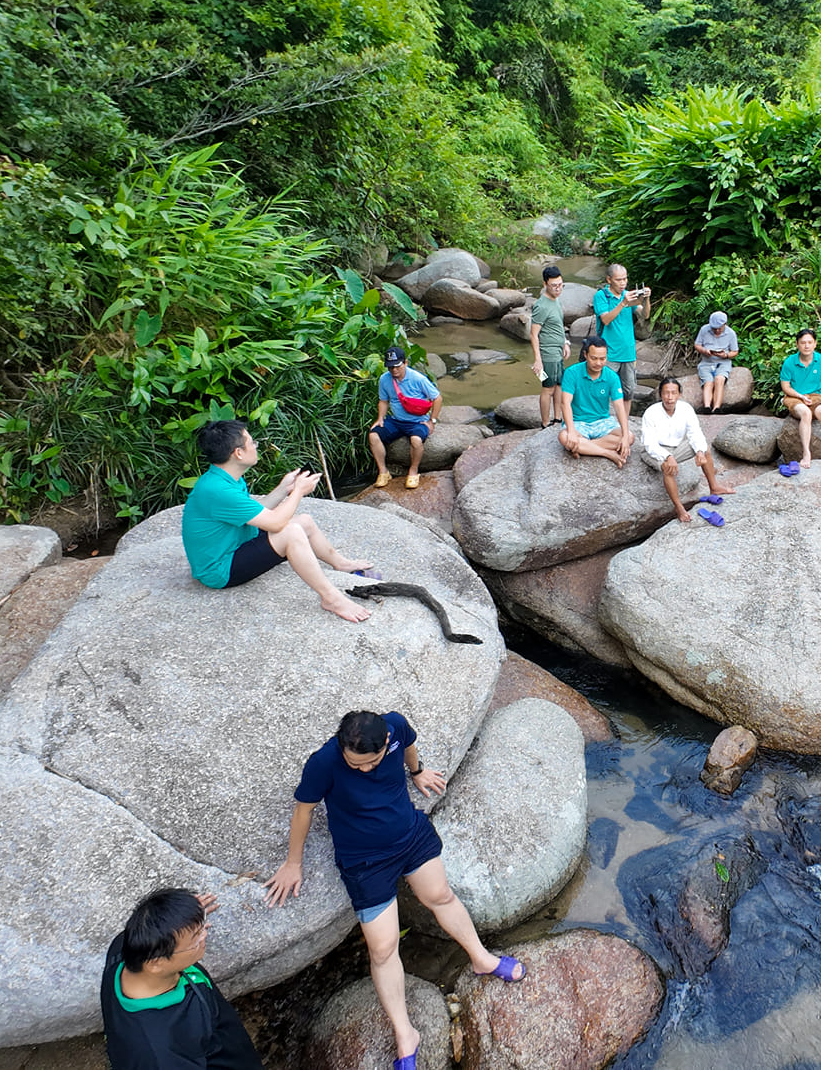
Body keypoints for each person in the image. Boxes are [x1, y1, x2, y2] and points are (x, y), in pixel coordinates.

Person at [265, 711, 524, 1070]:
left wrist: (417, 772)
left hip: (410, 837)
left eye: (370, 763)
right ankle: (406, 1032)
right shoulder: (324, 762)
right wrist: (293, 863)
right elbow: (303, 811)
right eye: (354, 765)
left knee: (440, 896)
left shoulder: (395, 727)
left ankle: (481, 958)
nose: (363, 770)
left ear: (386, 743)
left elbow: (410, 744)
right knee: (383, 947)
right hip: (365, 860)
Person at [180, 420, 373, 623]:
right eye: (252, 442)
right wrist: (298, 492)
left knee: (304, 521)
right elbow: (276, 524)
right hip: (220, 569)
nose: (256, 446)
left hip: (238, 544)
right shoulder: (218, 490)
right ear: (238, 453)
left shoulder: (225, 478)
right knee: (291, 533)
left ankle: (340, 563)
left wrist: (284, 489)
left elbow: (255, 514)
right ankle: (331, 598)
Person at [100, 887, 263, 1070]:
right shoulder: (159, 1054)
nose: (205, 936)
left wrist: (187, 922)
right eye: (196, 938)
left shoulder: (123, 948)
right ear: (156, 963)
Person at [640, 378, 735, 523]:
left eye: (673, 393)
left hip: (678, 447)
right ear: (660, 394)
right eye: (666, 393)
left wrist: (699, 452)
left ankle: (714, 487)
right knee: (667, 468)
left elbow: (694, 433)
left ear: (679, 394)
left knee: (705, 448)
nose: (670, 397)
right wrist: (667, 456)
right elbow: (649, 444)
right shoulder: (651, 413)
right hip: (655, 451)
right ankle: (679, 507)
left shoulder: (686, 409)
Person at [367, 346, 443, 490]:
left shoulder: (418, 378)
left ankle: (413, 471)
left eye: (397, 366)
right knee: (373, 435)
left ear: (405, 363)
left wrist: (432, 421)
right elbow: (383, 400)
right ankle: (383, 472)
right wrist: (380, 418)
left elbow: (437, 398)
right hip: (396, 421)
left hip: (417, 421)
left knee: (415, 440)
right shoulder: (385, 379)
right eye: (390, 367)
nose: (394, 370)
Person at [557, 336, 632, 467]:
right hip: (578, 422)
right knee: (564, 437)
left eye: (602, 359)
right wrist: (572, 431)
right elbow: (565, 403)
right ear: (585, 355)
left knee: (630, 436)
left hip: (602, 421)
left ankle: (583, 448)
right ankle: (608, 453)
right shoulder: (572, 373)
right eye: (594, 358)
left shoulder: (612, 377)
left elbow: (619, 406)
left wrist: (625, 435)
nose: (598, 363)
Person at [777, 328, 821, 468]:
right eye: (803, 343)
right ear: (797, 344)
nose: (806, 346)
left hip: (814, 396)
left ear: (815, 344)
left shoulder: (820, 360)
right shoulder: (790, 362)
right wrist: (800, 396)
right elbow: (785, 387)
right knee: (805, 412)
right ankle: (806, 453)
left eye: (810, 342)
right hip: (794, 396)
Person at [592, 263, 649, 398]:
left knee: (628, 392)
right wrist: (623, 303)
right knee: (604, 391)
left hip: (628, 352)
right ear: (609, 279)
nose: (623, 283)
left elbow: (644, 315)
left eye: (625, 279)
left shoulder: (628, 295)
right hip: (609, 353)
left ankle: (625, 419)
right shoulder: (601, 296)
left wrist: (646, 299)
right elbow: (605, 320)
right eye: (619, 280)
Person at [530, 265, 572, 428]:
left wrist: (565, 343)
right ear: (544, 284)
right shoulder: (542, 306)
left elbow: (558, 325)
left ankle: (558, 418)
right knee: (548, 388)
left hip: (557, 352)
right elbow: (533, 334)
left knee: (560, 385)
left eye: (561, 285)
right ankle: (546, 423)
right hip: (547, 355)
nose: (558, 288)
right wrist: (537, 360)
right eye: (554, 285)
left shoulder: (555, 300)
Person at [693, 311, 738, 413]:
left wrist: (725, 355)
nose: (717, 330)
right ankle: (707, 407)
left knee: (719, 379)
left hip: (723, 362)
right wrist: (704, 351)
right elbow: (697, 345)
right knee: (708, 382)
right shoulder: (704, 330)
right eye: (714, 328)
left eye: (719, 328)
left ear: (725, 324)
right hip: (706, 362)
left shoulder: (730, 333)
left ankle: (717, 407)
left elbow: (735, 351)